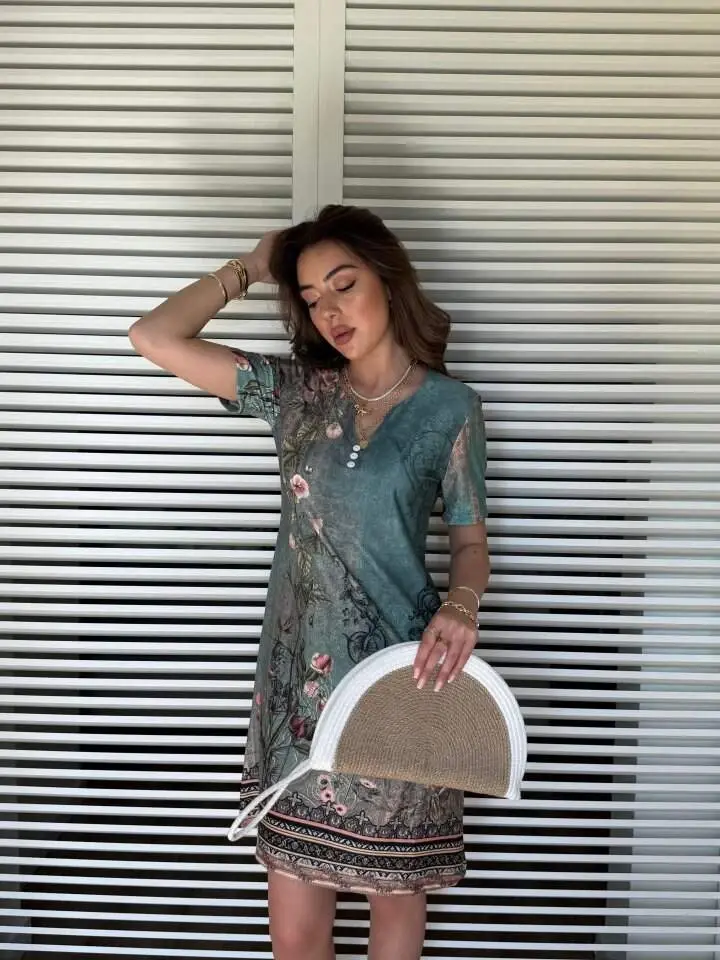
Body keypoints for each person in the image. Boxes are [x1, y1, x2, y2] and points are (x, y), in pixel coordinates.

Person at [128, 204, 490, 960]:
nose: (330, 311)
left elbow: (469, 541)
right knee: (295, 940)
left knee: (395, 916)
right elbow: (153, 338)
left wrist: (462, 606)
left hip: (402, 683)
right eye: (312, 297)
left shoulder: (450, 407)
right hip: (299, 694)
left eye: (344, 285)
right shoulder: (295, 392)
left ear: (387, 279)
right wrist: (250, 268)